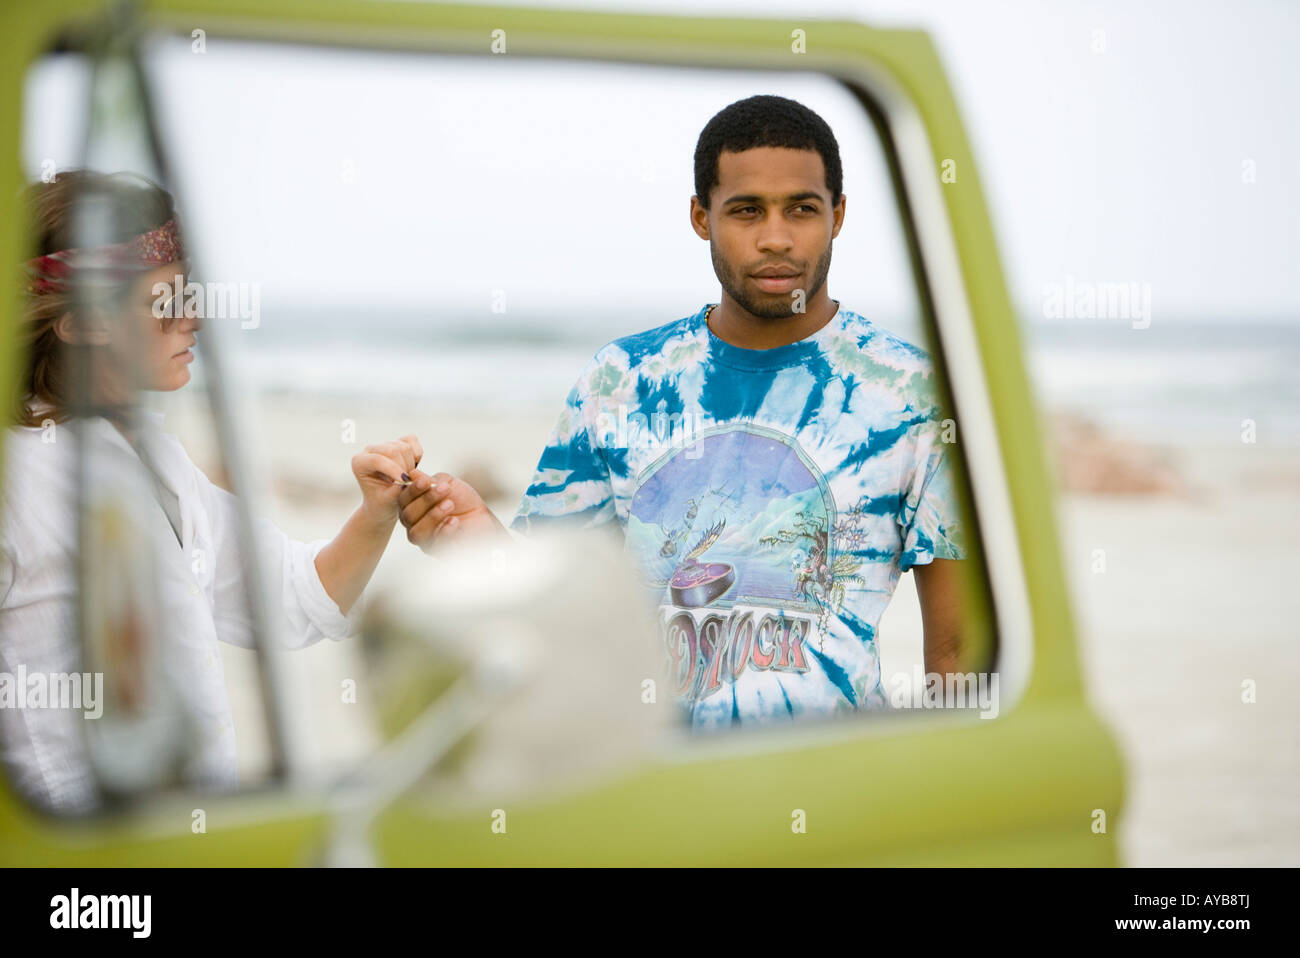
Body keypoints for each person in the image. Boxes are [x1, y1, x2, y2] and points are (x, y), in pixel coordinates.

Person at [398, 95, 968, 730]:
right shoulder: (621, 381)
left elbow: (957, 650)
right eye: (746, 210)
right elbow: (554, 614)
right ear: (702, 217)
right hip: (650, 788)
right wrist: (478, 541)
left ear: (837, 215)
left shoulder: (910, 394)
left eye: (801, 209)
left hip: (837, 788)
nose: (775, 238)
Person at [0, 171, 421, 812]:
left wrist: (375, 513)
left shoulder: (154, 459)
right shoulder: (15, 479)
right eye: (164, 301)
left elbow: (285, 598)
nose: (192, 316)